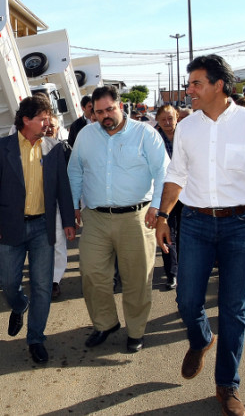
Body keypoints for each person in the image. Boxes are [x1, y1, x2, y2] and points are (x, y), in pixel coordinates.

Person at [154, 55, 245, 416]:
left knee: (234, 308)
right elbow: (177, 174)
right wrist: (164, 214)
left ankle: (227, 385)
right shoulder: (187, 126)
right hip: (196, 223)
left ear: (219, 85)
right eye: (189, 83)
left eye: (196, 83)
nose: (189, 90)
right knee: (186, 299)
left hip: (241, 223)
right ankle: (200, 338)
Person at [68, 85, 168, 353]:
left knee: (137, 279)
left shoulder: (145, 134)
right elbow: (75, 171)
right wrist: (73, 207)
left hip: (137, 217)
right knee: (91, 274)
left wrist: (157, 209)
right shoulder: (86, 136)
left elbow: (163, 172)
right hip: (96, 218)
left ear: (120, 106)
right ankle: (105, 323)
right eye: (98, 112)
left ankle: (135, 331)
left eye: (109, 109)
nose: (104, 116)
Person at [0, 95, 75, 365]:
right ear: (26, 120)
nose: (48, 123)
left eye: (48, 118)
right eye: (42, 118)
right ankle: (20, 305)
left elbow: (62, 189)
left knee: (43, 285)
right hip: (11, 227)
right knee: (8, 282)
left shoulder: (55, 148)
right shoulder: (1, 147)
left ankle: (36, 338)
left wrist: (68, 221)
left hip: (42, 227)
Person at [154, 104, 182, 290]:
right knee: (167, 234)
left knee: (186, 234)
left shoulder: (186, 135)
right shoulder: (153, 138)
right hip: (164, 194)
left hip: (187, 192)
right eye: (163, 119)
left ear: (177, 117)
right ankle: (171, 274)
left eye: (170, 118)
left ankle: (186, 270)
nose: (167, 123)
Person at [45, 115, 69, 299]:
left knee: (58, 242)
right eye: (46, 126)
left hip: (58, 205)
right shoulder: (34, 148)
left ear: (58, 127)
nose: (49, 129)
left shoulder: (64, 148)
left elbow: (71, 178)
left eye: (52, 126)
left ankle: (55, 281)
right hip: (38, 205)